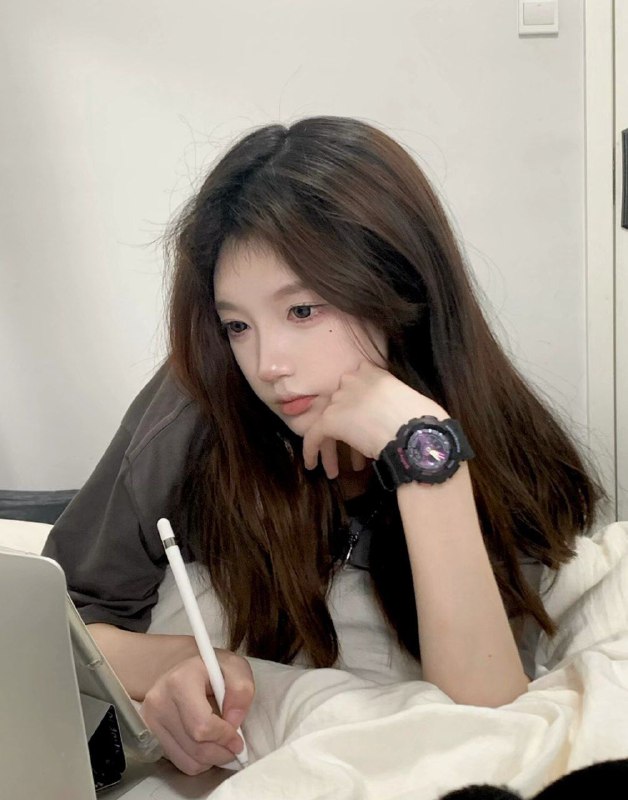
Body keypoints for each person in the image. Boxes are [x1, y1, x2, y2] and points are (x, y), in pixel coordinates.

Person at [42, 116, 607, 776]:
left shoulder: (491, 434)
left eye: (303, 311)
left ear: (398, 291)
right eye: (237, 325)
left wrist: (423, 453)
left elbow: (486, 724)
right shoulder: (196, 406)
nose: (268, 364)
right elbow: (58, 620)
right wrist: (182, 663)